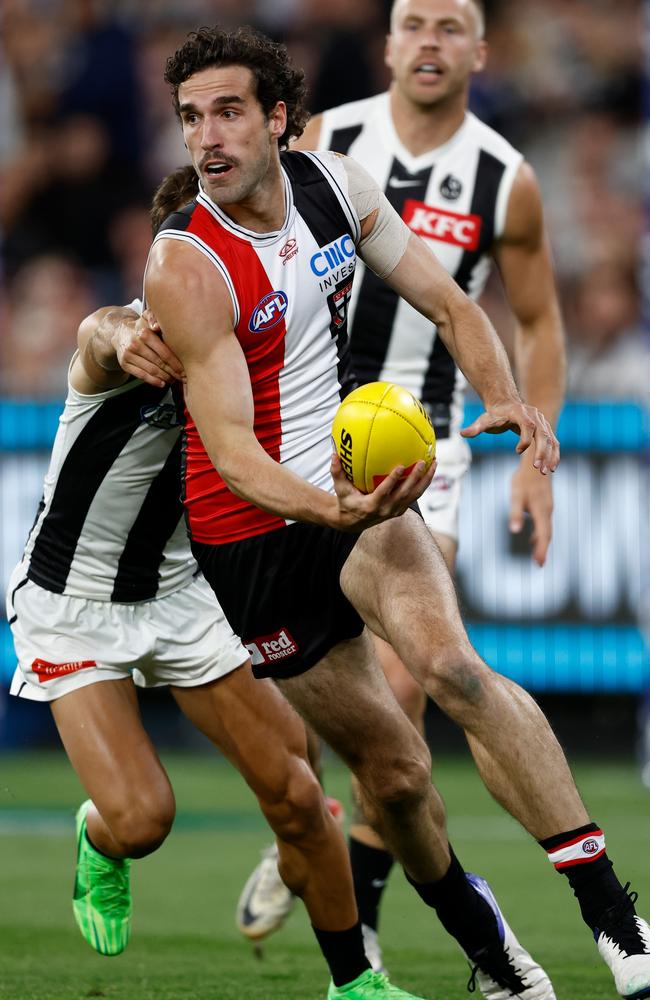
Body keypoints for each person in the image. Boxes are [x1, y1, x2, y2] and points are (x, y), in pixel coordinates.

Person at [145, 24, 650, 1000]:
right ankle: (491, 948)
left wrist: (501, 394)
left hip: (357, 494)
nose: (207, 137)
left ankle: (616, 925)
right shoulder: (184, 265)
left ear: (278, 117)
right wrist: (329, 505)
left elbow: (454, 304)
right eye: (190, 118)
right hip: (251, 538)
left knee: (454, 667)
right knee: (399, 775)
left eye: (228, 111)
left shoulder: (336, 188)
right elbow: (236, 458)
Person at [5, 168, 423, 1000]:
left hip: (185, 595)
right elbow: (98, 334)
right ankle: (101, 836)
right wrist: (117, 331)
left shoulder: (256, 366)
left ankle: (356, 984)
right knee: (143, 820)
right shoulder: (135, 344)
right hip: (74, 603)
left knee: (300, 797)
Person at [238, 0, 566, 971]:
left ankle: (356, 919)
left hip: (433, 441)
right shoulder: (329, 138)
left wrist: (531, 454)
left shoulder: (505, 178)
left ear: (478, 50)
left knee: (407, 684)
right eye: (411, 22)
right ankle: (311, 822)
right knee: (346, 701)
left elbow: (538, 322)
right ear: (385, 45)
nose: (428, 40)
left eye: (448, 24)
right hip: (307, 438)